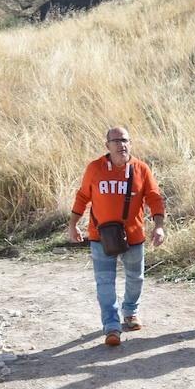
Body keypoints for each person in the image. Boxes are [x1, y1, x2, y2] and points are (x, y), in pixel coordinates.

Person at [67, 127, 167, 347]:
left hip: (133, 236)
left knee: (136, 278)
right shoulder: (95, 168)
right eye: (116, 141)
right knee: (105, 282)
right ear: (107, 145)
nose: (121, 145)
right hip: (100, 236)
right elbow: (83, 196)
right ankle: (111, 326)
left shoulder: (141, 169)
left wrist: (159, 226)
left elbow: (154, 198)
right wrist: (73, 224)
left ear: (130, 143)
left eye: (125, 140)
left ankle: (130, 312)